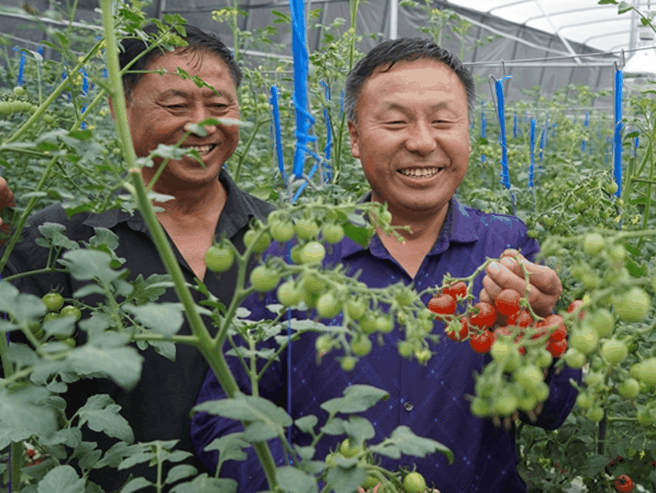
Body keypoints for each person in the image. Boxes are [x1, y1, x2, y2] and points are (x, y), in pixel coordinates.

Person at [190, 38, 579, 492]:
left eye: (443, 121)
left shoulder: (507, 248)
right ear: (355, 138)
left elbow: (552, 409)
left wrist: (536, 334)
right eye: (395, 122)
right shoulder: (297, 257)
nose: (422, 142)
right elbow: (224, 417)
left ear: (468, 132)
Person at [1, 24, 273, 489]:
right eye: (176, 106)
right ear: (118, 109)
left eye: (219, 106)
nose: (202, 123)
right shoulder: (57, 242)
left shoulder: (280, 239)